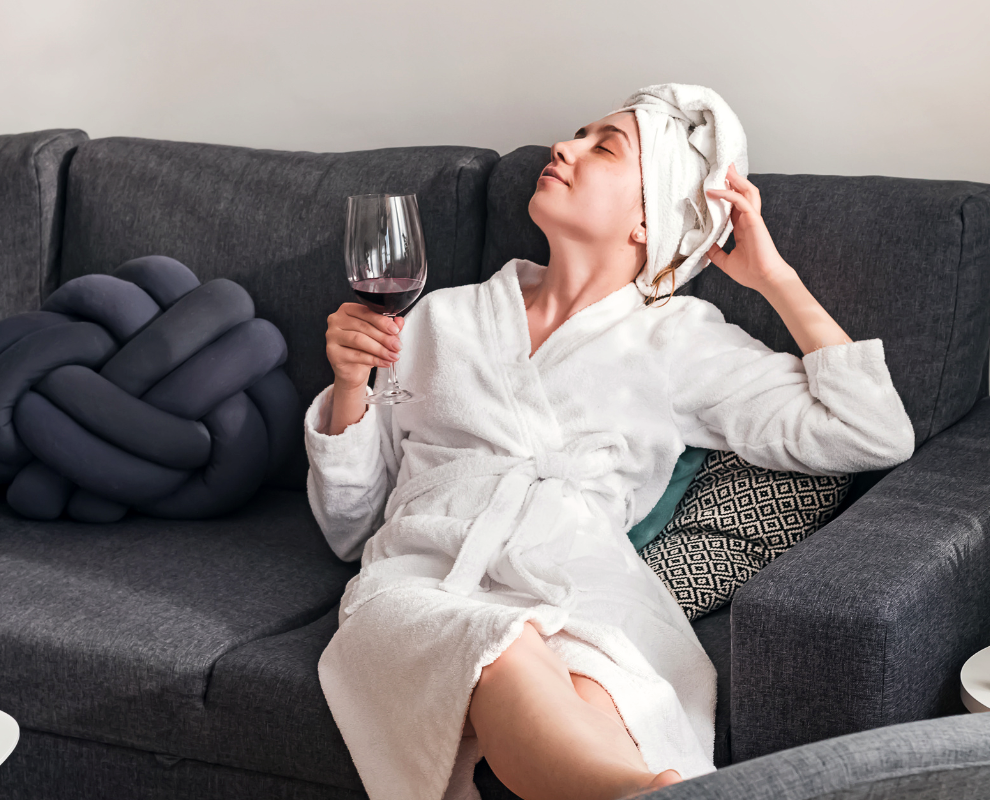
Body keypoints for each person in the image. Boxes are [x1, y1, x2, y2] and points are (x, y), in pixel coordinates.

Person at [303, 84, 915, 800]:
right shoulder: (437, 320)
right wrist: (351, 385)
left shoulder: (680, 342)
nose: (563, 148)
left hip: (585, 586)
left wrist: (775, 280)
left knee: (602, 693)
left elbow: (872, 431)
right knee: (500, 651)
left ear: (648, 219)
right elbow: (352, 527)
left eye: (604, 147)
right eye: (578, 134)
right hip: (422, 581)